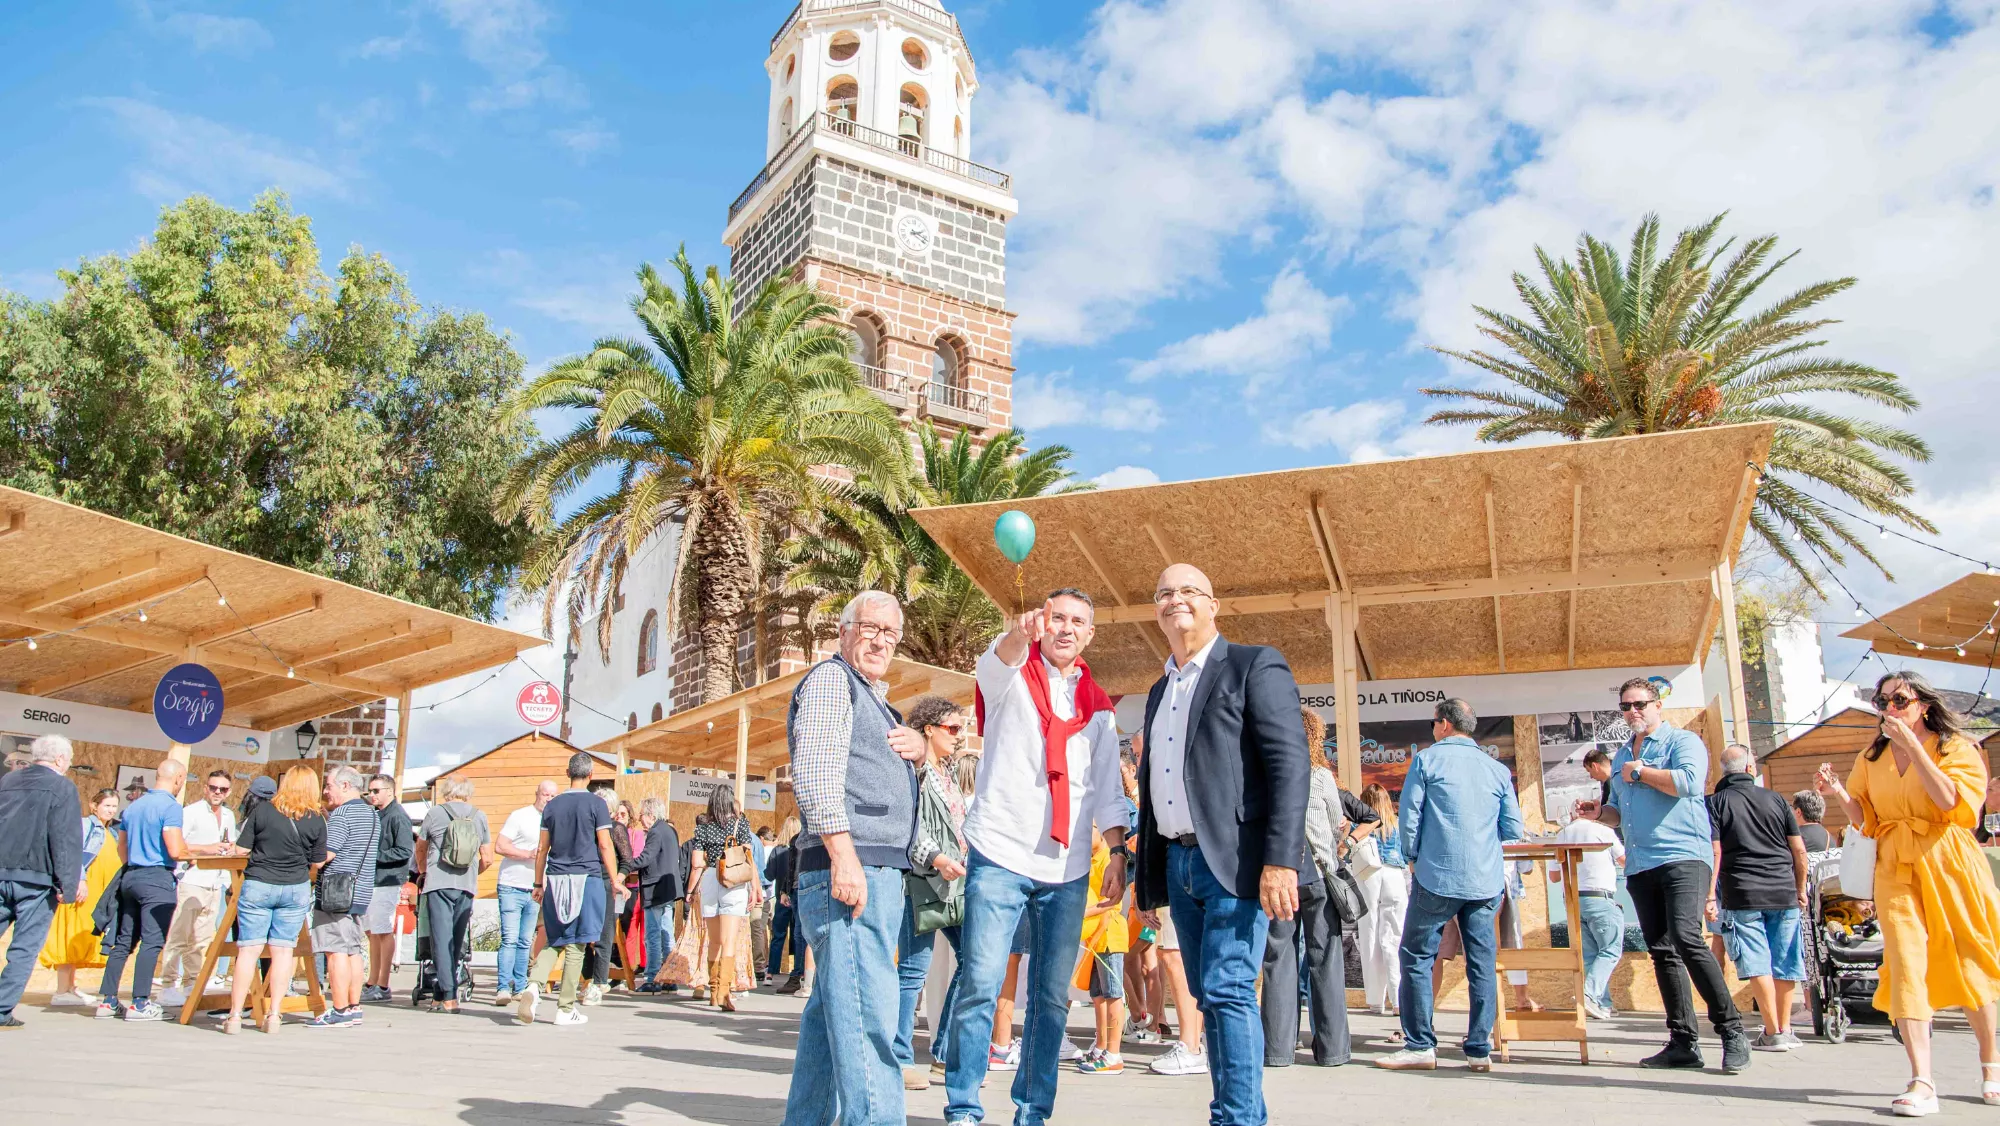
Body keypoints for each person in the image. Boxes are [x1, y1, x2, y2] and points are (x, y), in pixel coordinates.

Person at [1133, 564, 1309, 1125]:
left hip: (1238, 862)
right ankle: (1242, 1114)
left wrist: (1280, 860)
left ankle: (1234, 1119)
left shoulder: (1254, 664)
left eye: (1188, 591)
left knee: (1229, 989)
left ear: (1215, 605)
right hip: (1179, 861)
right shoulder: (1161, 687)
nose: (1174, 600)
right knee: (1213, 996)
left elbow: (1289, 763)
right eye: (1164, 594)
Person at [946, 591, 1126, 1126]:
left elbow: (1107, 790)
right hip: (999, 852)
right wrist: (1017, 635)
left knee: (1051, 1000)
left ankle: (1033, 1111)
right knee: (980, 984)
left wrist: (1116, 850)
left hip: (1066, 868)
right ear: (1041, 623)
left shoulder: (1099, 707)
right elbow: (991, 663)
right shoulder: (1012, 674)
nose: (1065, 629)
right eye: (1056, 619)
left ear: (1090, 634)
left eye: (1077, 622)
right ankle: (963, 1107)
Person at [1815, 669, 2000, 1116]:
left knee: (1969, 957)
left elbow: (1955, 806)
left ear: (1924, 704)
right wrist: (1839, 792)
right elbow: (1865, 819)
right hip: (1894, 864)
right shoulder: (1870, 756)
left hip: (1949, 860)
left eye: (1899, 700)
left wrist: (1914, 747)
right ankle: (1922, 1080)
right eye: (1882, 702)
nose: (1890, 709)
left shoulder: (1957, 747)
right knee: (1904, 963)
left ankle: (1992, 1065)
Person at [781, 590, 928, 1126]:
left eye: (891, 634)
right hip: (852, 871)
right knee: (869, 1022)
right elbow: (816, 775)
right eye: (870, 627)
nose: (880, 640)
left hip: (869, 871)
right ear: (844, 631)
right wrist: (844, 857)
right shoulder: (829, 680)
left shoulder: (870, 695)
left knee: (831, 1020)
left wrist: (919, 753)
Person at [1577, 677, 1750, 1074]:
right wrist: (1598, 813)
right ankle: (1683, 1042)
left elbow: (1689, 784)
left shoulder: (1682, 742)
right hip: (1640, 865)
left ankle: (1731, 1030)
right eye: (1625, 706)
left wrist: (1641, 773)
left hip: (1683, 857)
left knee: (1688, 939)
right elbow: (1618, 811)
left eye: (1640, 703)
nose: (1633, 711)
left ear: (1658, 705)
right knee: (1662, 950)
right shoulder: (1622, 756)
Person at [1376, 698, 1524, 1072]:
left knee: (1415, 958)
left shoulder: (1427, 760)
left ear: (1442, 724)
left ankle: (1420, 1045)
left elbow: (1409, 815)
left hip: (1436, 876)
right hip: (1485, 880)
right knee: (1482, 963)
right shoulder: (1497, 769)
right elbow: (1513, 830)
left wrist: (1410, 856)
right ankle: (1478, 1049)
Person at [1265, 706, 1365, 1067]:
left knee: (1278, 961)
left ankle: (1277, 1048)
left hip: (1278, 878)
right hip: (1321, 877)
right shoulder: (1321, 777)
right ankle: (1332, 1050)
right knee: (1326, 961)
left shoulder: (1269, 775)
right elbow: (1338, 822)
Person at [1706, 744, 1807, 1052]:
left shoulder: (1716, 803)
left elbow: (1715, 852)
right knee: (1785, 961)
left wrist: (1710, 895)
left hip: (1742, 892)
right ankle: (1785, 1028)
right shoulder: (1777, 799)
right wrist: (1801, 888)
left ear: (1725, 772)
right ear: (1751, 769)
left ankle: (1772, 1030)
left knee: (1757, 961)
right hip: (1783, 891)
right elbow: (1799, 850)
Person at [896, 695, 972, 1087]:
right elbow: (911, 828)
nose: (960, 736)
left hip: (954, 883)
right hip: (923, 881)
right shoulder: (919, 772)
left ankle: (944, 1053)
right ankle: (898, 1058)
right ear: (928, 729)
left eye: (962, 728)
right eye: (953, 728)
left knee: (973, 959)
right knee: (912, 971)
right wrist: (939, 858)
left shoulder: (947, 772)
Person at [517, 752, 619, 1027]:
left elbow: (542, 849)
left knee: (554, 938)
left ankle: (534, 985)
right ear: (591, 774)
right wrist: (616, 880)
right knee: (578, 943)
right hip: (587, 877)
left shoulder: (552, 806)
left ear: (567, 773)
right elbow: (606, 845)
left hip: (556, 878)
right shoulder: (596, 804)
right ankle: (565, 1008)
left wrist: (538, 883)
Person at [223, 765, 326, 1035]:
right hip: (295, 886)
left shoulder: (264, 810)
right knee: (283, 952)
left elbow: (242, 848)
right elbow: (317, 860)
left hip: (259, 882)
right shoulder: (317, 818)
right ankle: (275, 1014)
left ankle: (234, 1016)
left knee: (248, 951)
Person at [97, 757, 191, 1021]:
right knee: (152, 942)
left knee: (124, 941)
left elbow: (122, 848)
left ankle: (108, 1001)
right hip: (157, 878)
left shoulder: (134, 806)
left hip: (131, 875)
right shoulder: (171, 807)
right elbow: (175, 849)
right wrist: (198, 852)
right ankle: (139, 1003)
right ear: (179, 779)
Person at [0, 734, 84, 1029]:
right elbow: (65, 839)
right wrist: (68, 886)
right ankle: (0, 1010)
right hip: (37, 880)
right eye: (69, 761)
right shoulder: (63, 787)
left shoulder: (8, 782)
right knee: (23, 949)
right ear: (60, 760)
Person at [157, 769, 238, 1008]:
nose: (217, 793)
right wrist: (208, 849)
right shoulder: (190, 812)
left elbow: (229, 844)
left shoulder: (228, 815)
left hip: (215, 881)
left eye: (222, 789)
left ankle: (192, 981)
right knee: (179, 936)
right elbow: (179, 846)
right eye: (213, 788)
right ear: (205, 788)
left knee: (201, 939)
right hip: (191, 880)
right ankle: (168, 984)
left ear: (228, 792)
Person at [306, 766, 378, 1028]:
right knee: (353, 951)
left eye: (329, 786)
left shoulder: (342, 815)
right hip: (360, 891)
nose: (326, 791)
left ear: (346, 786)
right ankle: (354, 1006)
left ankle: (339, 1009)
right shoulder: (371, 814)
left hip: (336, 892)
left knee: (335, 951)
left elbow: (326, 855)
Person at [415, 777, 492, 1013]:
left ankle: (449, 996)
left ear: (447, 792)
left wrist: (424, 871)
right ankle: (440, 995)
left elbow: (420, 846)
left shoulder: (435, 814)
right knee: (456, 943)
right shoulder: (479, 816)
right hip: (466, 886)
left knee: (440, 939)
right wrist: (472, 874)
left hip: (438, 884)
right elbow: (487, 858)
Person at [43, 787, 122, 1007]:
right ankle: (61, 990)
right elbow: (73, 853)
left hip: (97, 893)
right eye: (107, 805)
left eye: (114, 806)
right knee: (70, 935)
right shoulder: (87, 825)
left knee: (81, 936)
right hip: (82, 889)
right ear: (94, 806)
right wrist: (80, 879)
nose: (110, 810)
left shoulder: (111, 831)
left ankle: (70, 986)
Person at [1548, 800, 1625, 1018]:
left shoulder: (1562, 834)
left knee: (1591, 954)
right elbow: (1624, 860)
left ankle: (1603, 1003)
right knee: (1610, 949)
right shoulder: (1603, 831)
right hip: (1600, 897)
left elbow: (1554, 876)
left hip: (1573, 900)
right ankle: (1589, 995)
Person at [689, 786, 759, 1009]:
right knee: (730, 940)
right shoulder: (740, 823)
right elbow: (747, 853)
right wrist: (755, 886)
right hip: (733, 878)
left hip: (710, 877)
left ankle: (713, 991)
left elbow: (697, 861)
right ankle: (724, 992)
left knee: (715, 940)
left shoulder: (703, 828)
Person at [491, 780, 557, 1005]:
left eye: (552, 796)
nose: (547, 799)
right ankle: (503, 987)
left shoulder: (553, 821)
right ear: (536, 794)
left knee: (525, 939)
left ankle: (519, 986)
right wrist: (527, 854)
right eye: (544, 794)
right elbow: (500, 846)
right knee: (509, 938)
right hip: (511, 884)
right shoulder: (519, 816)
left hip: (536, 888)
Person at [1077, 829, 1130, 1074]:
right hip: (1095, 939)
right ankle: (1102, 1046)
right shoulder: (1090, 861)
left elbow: (1113, 902)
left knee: (1113, 994)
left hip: (1109, 936)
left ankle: (1114, 1053)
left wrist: (1082, 914)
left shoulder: (1109, 859)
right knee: (1098, 995)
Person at [1354, 782, 1408, 1019]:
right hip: (1395, 875)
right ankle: (1398, 1000)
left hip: (1369, 875)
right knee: (1393, 939)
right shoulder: (1397, 823)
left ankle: (1375, 1000)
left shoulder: (1362, 824)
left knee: (1369, 935)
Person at [363, 772, 413, 1003]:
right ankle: (372, 980)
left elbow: (404, 851)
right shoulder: (379, 814)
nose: (371, 795)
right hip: (375, 880)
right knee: (373, 932)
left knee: (383, 930)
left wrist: (374, 856)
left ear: (390, 792)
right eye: (370, 791)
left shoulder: (397, 816)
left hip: (388, 880)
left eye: (376, 791)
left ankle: (383, 984)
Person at [636, 796, 682, 993]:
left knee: (653, 934)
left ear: (650, 814)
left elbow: (647, 857)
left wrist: (627, 865)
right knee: (667, 933)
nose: (640, 820)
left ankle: (652, 976)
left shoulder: (655, 831)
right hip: (668, 889)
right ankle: (669, 977)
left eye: (641, 816)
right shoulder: (670, 830)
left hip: (655, 888)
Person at [763, 817, 796, 989]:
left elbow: (768, 875)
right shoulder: (798, 848)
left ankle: (770, 973)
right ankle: (799, 973)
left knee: (778, 935)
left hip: (781, 897)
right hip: (797, 895)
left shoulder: (778, 850)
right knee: (798, 935)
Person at [753, 825, 776, 984]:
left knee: (758, 929)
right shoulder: (774, 849)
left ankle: (760, 966)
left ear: (761, 838)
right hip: (772, 893)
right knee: (769, 932)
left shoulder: (761, 848)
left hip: (760, 893)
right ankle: (766, 966)